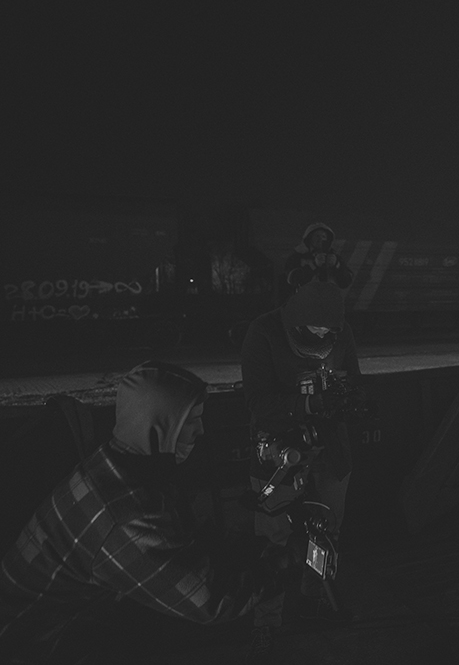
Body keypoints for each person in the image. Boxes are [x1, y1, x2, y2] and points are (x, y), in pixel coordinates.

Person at [0, 361, 285, 664]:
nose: (201, 430)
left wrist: (245, 547)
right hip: (32, 646)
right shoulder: (126, 515)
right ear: (160, 426)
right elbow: (211, 602)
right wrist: (282, 563)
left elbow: (186, 537)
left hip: (59, 624)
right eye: (192, 420)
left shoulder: (115, 463)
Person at [240, 279, 363, 663]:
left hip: (330, 448)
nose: (323, 335)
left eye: (330, 330)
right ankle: (266, 622)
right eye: (316, 328)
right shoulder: (263, 331)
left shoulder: (341, 332)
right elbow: (259, 403)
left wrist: (345, 399)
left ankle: (313, 599)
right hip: (279, 453)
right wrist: (308, 404)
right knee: (272, 539)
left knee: (326, 532)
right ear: (295, 320)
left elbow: (354, 381)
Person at [280, 222, 353, 304]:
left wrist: (337, 265)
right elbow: (292, 279)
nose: (321, 239)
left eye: (324, 236)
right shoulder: (297, 257)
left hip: (329, 304)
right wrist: (313, 265)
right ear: (309, 238)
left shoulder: (335, 258)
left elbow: (346, 282)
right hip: (305, 304)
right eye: (317, 236)